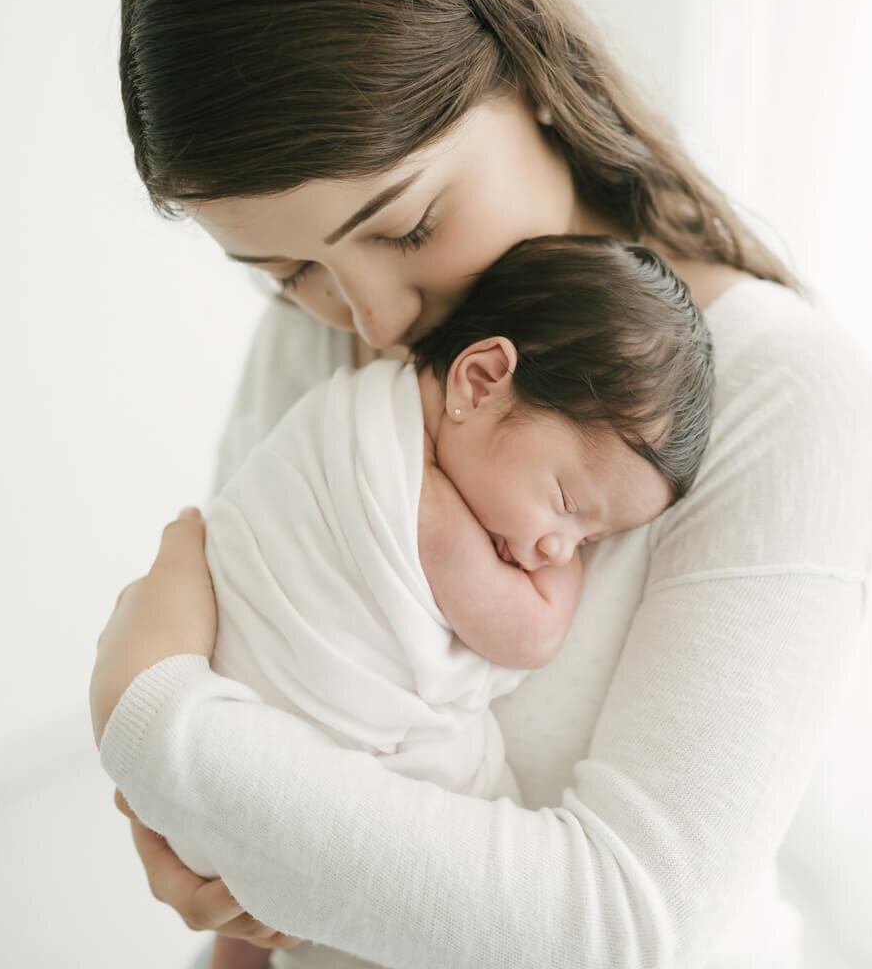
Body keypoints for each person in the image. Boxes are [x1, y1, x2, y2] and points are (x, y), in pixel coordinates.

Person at [90, 0, 872, 966]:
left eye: (409, 226)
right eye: (290, 275)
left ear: (532, 74)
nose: (375, 324)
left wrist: (152, 725)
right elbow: (264, 708)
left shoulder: (784, 396)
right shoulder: (313, 344)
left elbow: (620, 923)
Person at [179, 235, 713, 969]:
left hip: (222, 759)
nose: (561, 551)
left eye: (593, 542)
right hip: (280, 736)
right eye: (566, 505)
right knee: (471, 795)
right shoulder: (411, 497)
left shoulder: (362, 411)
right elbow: (529, 636)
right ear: (481, 379)